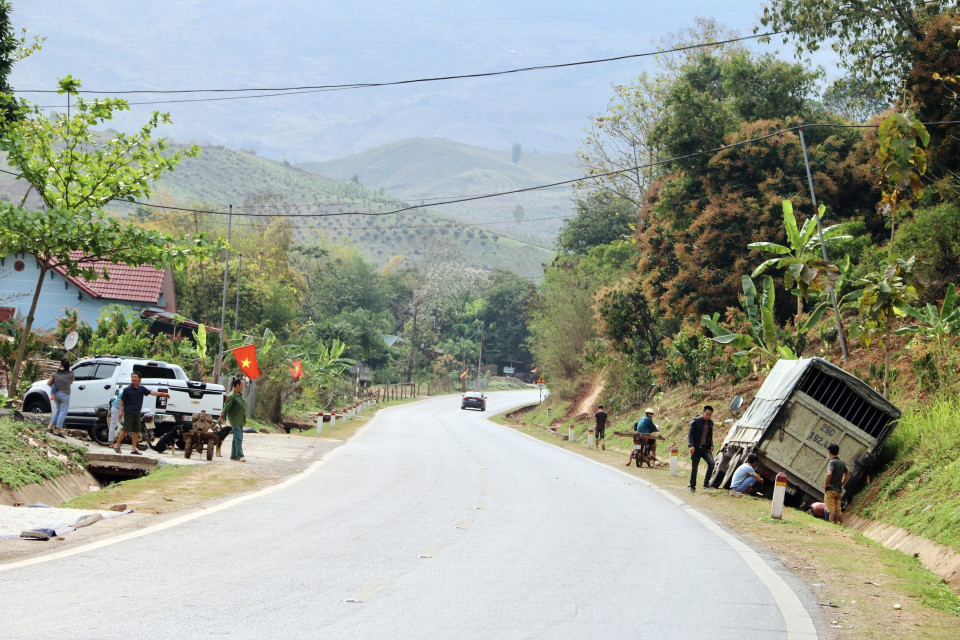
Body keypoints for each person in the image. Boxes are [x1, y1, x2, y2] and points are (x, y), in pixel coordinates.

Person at [113, 372, 169, 455]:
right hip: (128, 412)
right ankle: (117, 445)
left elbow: (151, 392)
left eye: (135, 377)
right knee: (126, 429)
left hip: (137, 413)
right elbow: (122, 401)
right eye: (132, 377)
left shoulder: (141, 389)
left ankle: (133, 449)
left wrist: (162, 394)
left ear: (139, 379)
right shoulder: (127, 389)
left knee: (136, 431)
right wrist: (120, 411)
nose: (133, 378)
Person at [687, 405, 715, 493]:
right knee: (694, 468)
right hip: (696, 448)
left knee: (711, 463)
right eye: (707, 414)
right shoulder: (695, 422)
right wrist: (691, 446)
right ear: (703, 413)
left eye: (710, 415)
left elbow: (710, 435)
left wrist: (711, 444)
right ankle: (692, 487)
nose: (708, 416)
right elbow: (690, 435)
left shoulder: (711, 423)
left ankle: (706, 484)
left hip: (705, 448)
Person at [222, 377, 248, 462]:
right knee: (238, 438)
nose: (243, 386)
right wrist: (223, 417)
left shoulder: (239, 395)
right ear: (237, 385)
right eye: (242, 384)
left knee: (236, 438)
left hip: (240, 420)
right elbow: (226, 408)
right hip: (235, 420)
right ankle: (240, 456)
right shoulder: (231, 396)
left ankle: (233, 455)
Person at [47, 358, 74, 438]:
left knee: (58, 411)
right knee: (63, 412)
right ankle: (57, 431)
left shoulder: (55, 373)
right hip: (65, 395)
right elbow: (71, 382)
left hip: (56, 394)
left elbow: (49, 383)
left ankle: (49, 427)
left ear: (61, 363)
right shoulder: (71, 374)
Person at [824, 443, 850, 525]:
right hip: (839, 491)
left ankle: (830, 526)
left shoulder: (832, 462)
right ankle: (840, 524)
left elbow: (829, 474)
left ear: (829, 452)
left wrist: (826, 485)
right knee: (838, 509)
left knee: (831, 510)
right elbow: (847, 474)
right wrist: (842, 484)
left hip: (831, 490)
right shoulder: (842, 462)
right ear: (838, 452)